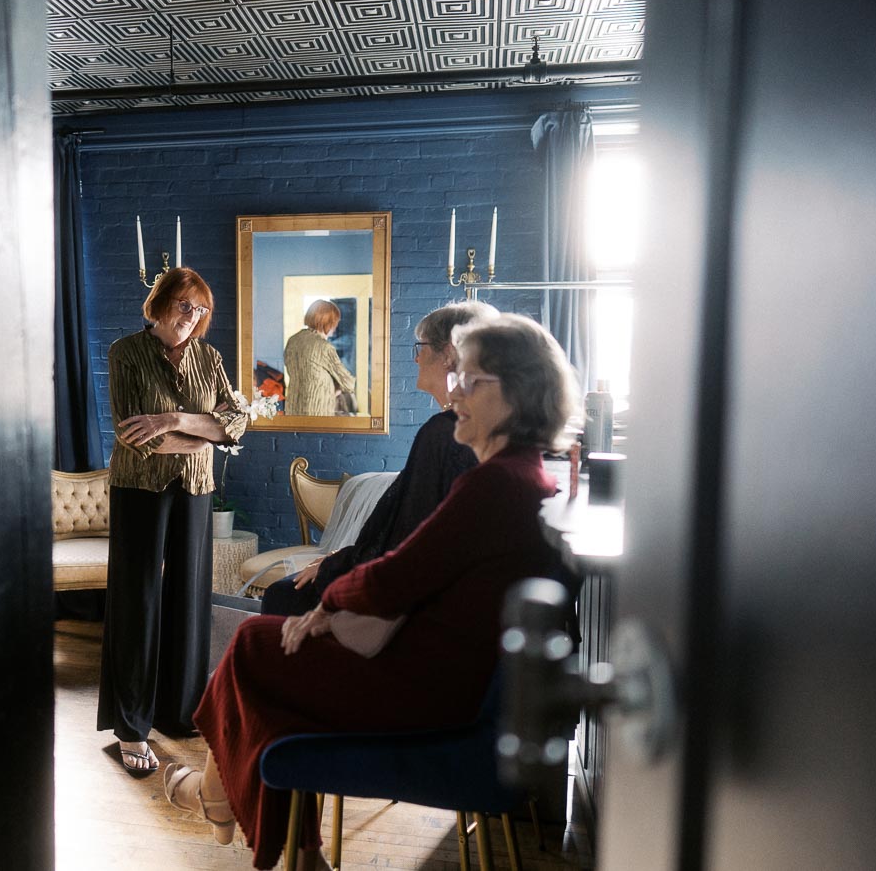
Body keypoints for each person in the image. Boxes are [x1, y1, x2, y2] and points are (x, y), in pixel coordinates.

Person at [163, 314, 579, 869]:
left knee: (255, 645)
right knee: (272, 652)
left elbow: (400, 572)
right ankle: (284, 841)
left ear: (516, 393)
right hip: (454, 679)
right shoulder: (528, 476)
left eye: (471, 379)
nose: (456, 390)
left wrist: (329, 606)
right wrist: (335, 605)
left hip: (432, 692)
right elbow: (411, 567)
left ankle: (227, 805)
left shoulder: (495, 483)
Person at [97, 267, 248, 776]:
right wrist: (205, 434)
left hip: (196, 489)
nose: (192, 316)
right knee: (137, 599)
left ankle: (181, 713)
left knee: (189, 599)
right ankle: (130, 726)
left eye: (200, 309)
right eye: (185, 305)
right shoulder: (125, 352)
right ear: (161, 303)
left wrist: (173, 419)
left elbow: (236, 423)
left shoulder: (210, 357)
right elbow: (134, 435)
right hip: (139, 487)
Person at [259, 300, 500, 618]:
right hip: (444, 582)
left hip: (416, 596)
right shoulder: (476, 425)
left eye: (421, 347)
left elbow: (408, 541)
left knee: (282, 594)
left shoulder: (446, 433)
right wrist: (344, 557)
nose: (416, 357)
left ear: (448, 354)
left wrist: (337, 564)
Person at [282, 299, 355, 416]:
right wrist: (336, 387)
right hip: (317, 413)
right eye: (335, 322)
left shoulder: (292, 341)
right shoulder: (324, 347)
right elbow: (348, 383)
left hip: (293, 409)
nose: (336, 326)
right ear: (328, 322)